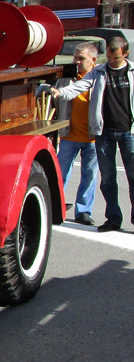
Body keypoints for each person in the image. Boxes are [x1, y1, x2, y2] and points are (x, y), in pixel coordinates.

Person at [52, 36, 134, 232]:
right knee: (107, 179)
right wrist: (60, 92)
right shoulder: (99, 72)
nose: (112, 62)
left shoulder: (132, 72)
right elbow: (78, 87)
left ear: (125, 54)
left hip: (128, 132)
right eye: (109, 58)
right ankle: (113, 219)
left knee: (132, 177)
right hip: (104, 133)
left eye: (115, 59)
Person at [51, 42, 100, 226]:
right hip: (68, 134)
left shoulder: (100, 77)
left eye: (82, 58)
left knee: (89, 175)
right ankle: (57, 208)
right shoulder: (68, 76)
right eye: (75, 58)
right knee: (60, 174)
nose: (77, 62)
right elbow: (56, 96)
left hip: (93, 136)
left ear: (93, 60)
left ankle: (84, 212)